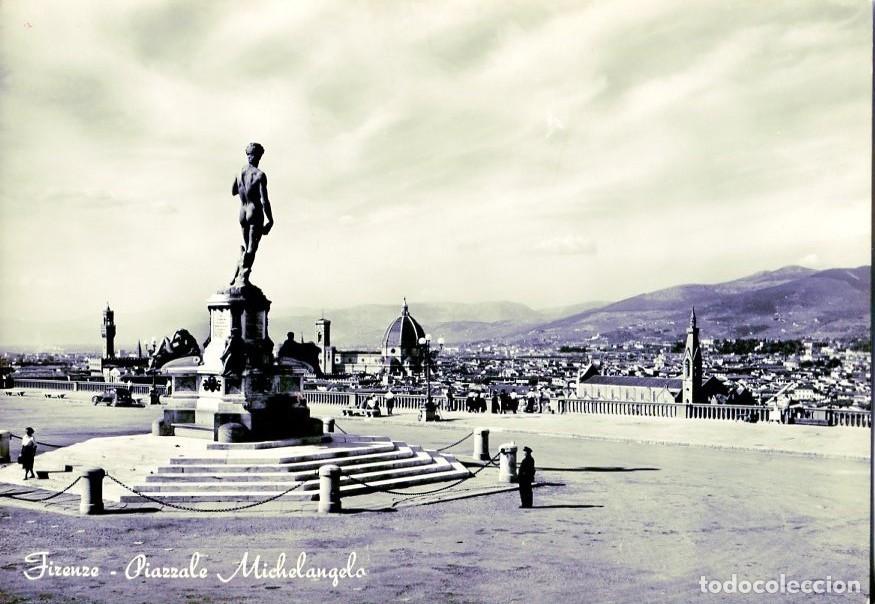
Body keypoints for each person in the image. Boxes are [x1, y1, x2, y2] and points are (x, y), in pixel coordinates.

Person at [230, 142, 275, 287]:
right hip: (254, 212)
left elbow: (233, 191)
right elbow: (264, 201)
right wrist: (270, 220)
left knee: (247, 246)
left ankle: (238, 274)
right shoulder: (259, 175)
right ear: (259, 156)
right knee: (251, 249)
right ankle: (241, 276)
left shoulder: (239, 172)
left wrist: (244, 187)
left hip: (242, 212)